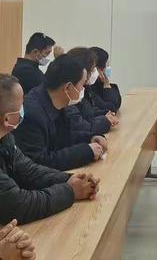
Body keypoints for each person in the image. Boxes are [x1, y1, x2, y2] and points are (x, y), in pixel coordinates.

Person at [0, 74, 99, 226]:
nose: (24, 109)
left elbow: (28, 170)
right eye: (21, 106)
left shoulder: (5, 138)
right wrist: (71, 191)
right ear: (7, 119)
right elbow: (19, 205)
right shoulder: (34, 115)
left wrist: (70, 179)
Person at [13, 55, 108, 171]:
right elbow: (40, 161)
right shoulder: (32, 113)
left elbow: (63, 137)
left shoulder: (57, 102)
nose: (83, 88)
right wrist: (86, 151)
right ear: (68, 87)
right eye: (82, 84)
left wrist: (90, 137)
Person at [66, 48, 118, 135]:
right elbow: (81, 126)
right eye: (93, 69)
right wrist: (105, 120)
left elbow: (89, 110)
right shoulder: (70, 93)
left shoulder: (85, 87)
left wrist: (104, 113)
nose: (94, 73)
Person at [89, 47, 122, 113]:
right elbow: (111, 108)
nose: (108, 67)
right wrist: (107, 84)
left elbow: (117, 102)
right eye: (106, 65)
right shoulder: (88, 87)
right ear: (97, 69)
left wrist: (107, 84)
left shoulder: (99, 82)